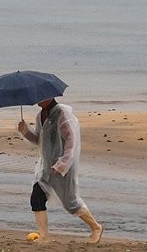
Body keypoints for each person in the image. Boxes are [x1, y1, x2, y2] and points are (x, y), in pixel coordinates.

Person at [17, 97, 103, 243]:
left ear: (49, 97)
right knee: (37, 197)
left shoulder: (62, 113)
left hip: (63, 167)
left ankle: (96, 227)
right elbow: (39, 139)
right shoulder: (41, 115)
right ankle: (43, 237)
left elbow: (71, 142)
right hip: (46, 166)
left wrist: (62, 164)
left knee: (71, 202)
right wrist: (25, 131)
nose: (37, 100)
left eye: (40, 98)